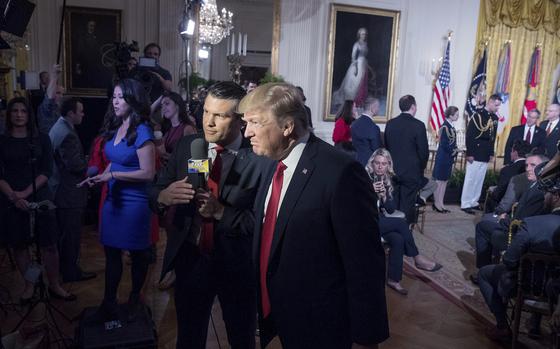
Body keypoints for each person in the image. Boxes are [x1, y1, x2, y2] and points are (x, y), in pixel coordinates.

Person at [240, 82, 389, 348]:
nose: (247, 132)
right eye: (246, 122)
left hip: (322, 324)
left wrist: (367, 337)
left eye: (255, 123)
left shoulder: (341, 172)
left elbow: (364, 261)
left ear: (287, 127)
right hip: (281, 313)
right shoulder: (269, 163)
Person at [149, 82, 264, 348]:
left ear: (240, 121)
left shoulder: (259, 157)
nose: (209, 122)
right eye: (206, 112)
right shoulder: (189, 145)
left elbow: (263, 221)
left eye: (221, 116)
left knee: (241, 337)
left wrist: (221, 211)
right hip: (191, 260)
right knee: (189, 337)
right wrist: (162, 197)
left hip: (237, 264)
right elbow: (154, 189)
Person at [80, 79, 156, 320]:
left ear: (133, 100)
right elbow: (115, 159)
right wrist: (100, 176)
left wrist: (112, 174)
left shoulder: (142, 130)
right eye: (113, 96)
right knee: (112, 254)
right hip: (113, 200)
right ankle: (109, 303)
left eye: (121, 97)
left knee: (138, 254)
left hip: (134, 203)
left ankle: (135, 299)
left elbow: (148, 172)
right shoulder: (117, 127)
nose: (115, 101)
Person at [0, 97, 76, 304]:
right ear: (9, 115)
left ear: (28, 114)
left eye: (23, 111)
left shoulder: (41, 139)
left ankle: (54, 285)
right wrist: (14, 196)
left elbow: (46, 170)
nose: (18, 115)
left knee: (50, 243)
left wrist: (25, 193)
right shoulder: (2, 140)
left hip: (39, 194)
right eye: (14, 111)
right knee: (20, 244)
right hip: (10, 197)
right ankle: (29, 284)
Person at [477, 173, 560, 341]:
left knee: (484, 274)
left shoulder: (533, 224)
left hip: (527, 286)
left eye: (547, 193)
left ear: (556, 197)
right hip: (555, 290)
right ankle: (535, 326)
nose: (544, 196)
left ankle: (502, 327)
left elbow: (509, 260)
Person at [366, 149, 442, 296]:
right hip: (364, 223)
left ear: (388, 165)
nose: (380, 167)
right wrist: (369, 190)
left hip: (379, 221)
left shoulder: (386, 180)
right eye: (377, 163)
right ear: (372, 164)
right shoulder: (364, 178)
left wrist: (383, 196)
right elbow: (355, 204)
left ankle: (394, 280)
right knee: (401, 223)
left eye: (384, 164)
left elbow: (390, 209)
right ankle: (417, 258)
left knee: (398, 239)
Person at [470, 152, 548, 284]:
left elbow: (524, 223)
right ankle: (493, 266)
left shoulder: (538, 191)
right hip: (517, 228)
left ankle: (483, 271)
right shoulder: (535, 185)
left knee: (482, 227)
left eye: (533, 165)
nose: (528, 168)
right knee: (486, 223)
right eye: (526, 165)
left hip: (517, 238)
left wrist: (503, 220)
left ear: (544, 168)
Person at [48, 97, 97, 283]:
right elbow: (74, 165)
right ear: (71, 113)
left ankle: (66, 269)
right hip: (69, 193)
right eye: (81, 111)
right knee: (71, 236)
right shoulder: (67, 133)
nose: (83, 114)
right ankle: (70, 272)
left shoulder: (59, 126)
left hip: (61, 190)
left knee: (66, 235)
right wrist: (90, 164)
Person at [384, 95, 429, 223]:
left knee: (393, 201)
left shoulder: (390, 123)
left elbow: (386, 147)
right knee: (407, 204)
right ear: (413, 107)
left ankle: (393, 229)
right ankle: (404, 231)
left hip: (392, 170)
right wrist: (421, 168)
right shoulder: (419, 125)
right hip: (411, 172)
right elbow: (423, 152)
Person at [461, 94, 501, 214]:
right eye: (496, 105)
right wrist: (469, 153)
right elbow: (470, 136)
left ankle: (474, 201)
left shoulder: (494, 118)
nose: (497, 108)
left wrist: (491, 153)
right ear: (490, 102)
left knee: (479, 179)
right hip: (476, 151)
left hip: (485, 152)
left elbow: (492, 138)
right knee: (471, 178)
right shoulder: (477, 115)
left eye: (499, 105)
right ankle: (465, 203)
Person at [484, 140, 530, 213]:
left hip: (506, 209)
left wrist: (493, 192)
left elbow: (499, 193)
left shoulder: (507, 170)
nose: (510, 154)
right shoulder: (532, 170)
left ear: (515, 152)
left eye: (511, 151)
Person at [332, 27, 369, 110]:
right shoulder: (357, 44)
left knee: (362, 83)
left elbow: (365, 55)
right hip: (357, 64)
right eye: (362, 34)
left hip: (364, 64)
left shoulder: (365, 44)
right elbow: (353, 57)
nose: (364, 35)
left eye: (365, 34)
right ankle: (353, 101)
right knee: (355, 83)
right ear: (359, 35)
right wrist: (356, 68)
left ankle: (360, 101)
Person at [156, 91, 197, 164]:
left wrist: (170, 157)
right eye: (162, 106)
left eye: (167, 104)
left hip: (183, 173)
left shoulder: (187, 128)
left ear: (177, 105)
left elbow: (196, 160)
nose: (163, 108)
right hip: (170, 172)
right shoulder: (168, 129)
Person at [432, 106, 459, 213]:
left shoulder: (451, 126)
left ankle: (441, 203)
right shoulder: (445, 127)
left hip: (448, 158)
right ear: (451, 115)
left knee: (444, 181)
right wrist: (454, 151)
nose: (458, 116)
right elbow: (443, 144)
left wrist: (455, 150)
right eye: (456, 114)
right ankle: (436, 203)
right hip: (443, 157)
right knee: (439, 181)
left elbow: (453, 142)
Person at [351, 97, 381, 166]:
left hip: (355, 161)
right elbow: (376, 149)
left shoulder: (354, 124)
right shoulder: (373, 127)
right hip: (369, 164)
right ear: (372, 108)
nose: (378, 109)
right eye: (378, 107)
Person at [37, 63, 65, 134]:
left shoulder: (59, 107)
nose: (61, 96)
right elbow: (49, 99)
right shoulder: (45, 106)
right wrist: (54, 75)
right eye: (58, 93)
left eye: (62, 94)